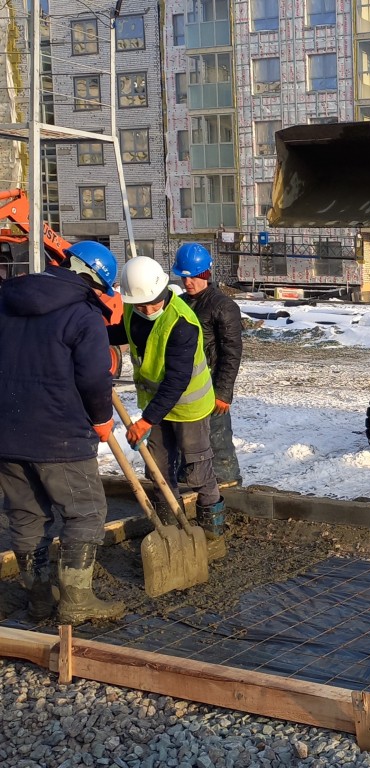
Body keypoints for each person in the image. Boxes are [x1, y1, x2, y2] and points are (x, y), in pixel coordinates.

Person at [0, 240, 125, 624]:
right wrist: (102, 417)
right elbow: (92, 377)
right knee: (86, 511)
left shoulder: (7, 298)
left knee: (25, 515)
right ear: (94, 280)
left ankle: (38, 599)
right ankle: (77, 601)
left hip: (6, 432)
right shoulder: (82, 315)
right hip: (59, 436)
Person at [108, 256, 228, 559]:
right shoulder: (133, 312)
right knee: (158, 469)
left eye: (152, 303)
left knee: (198, 470)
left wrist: (145, 422)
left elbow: (176, 381)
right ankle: (172, 532)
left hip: (188, 406)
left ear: (163, 292)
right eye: (140, 305)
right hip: (155, 406)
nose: (147, 310)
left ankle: (212, 532)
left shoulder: (182, 323)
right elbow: (116, 334)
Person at [171, 243, 243, 488]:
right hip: (184, 384)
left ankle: (229, 485)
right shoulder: (179, 303)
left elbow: (231, 353)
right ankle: (189, 486)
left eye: (193, 277)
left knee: (217, 438)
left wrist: (223, 392)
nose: (188, 282)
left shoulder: (223, 306)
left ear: (205, 275)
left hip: (211, 385)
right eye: (184, 277)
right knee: (185, 441)